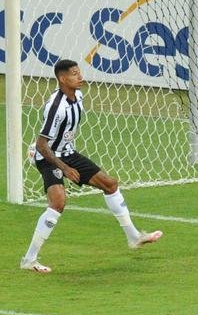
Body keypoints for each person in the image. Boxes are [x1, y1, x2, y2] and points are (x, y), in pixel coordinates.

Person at [20, 59, 162, 274]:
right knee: (58, 202)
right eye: (75, 74)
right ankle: (29, 259)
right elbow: (42, 144)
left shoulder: (78, 96)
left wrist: (68, 161)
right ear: (62, 78)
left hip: (68, 153)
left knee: (110, 184)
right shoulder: (56, 107)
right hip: (48, 156)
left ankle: (134, 237)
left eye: (80, 73)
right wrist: (64, 168)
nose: (81, 77)